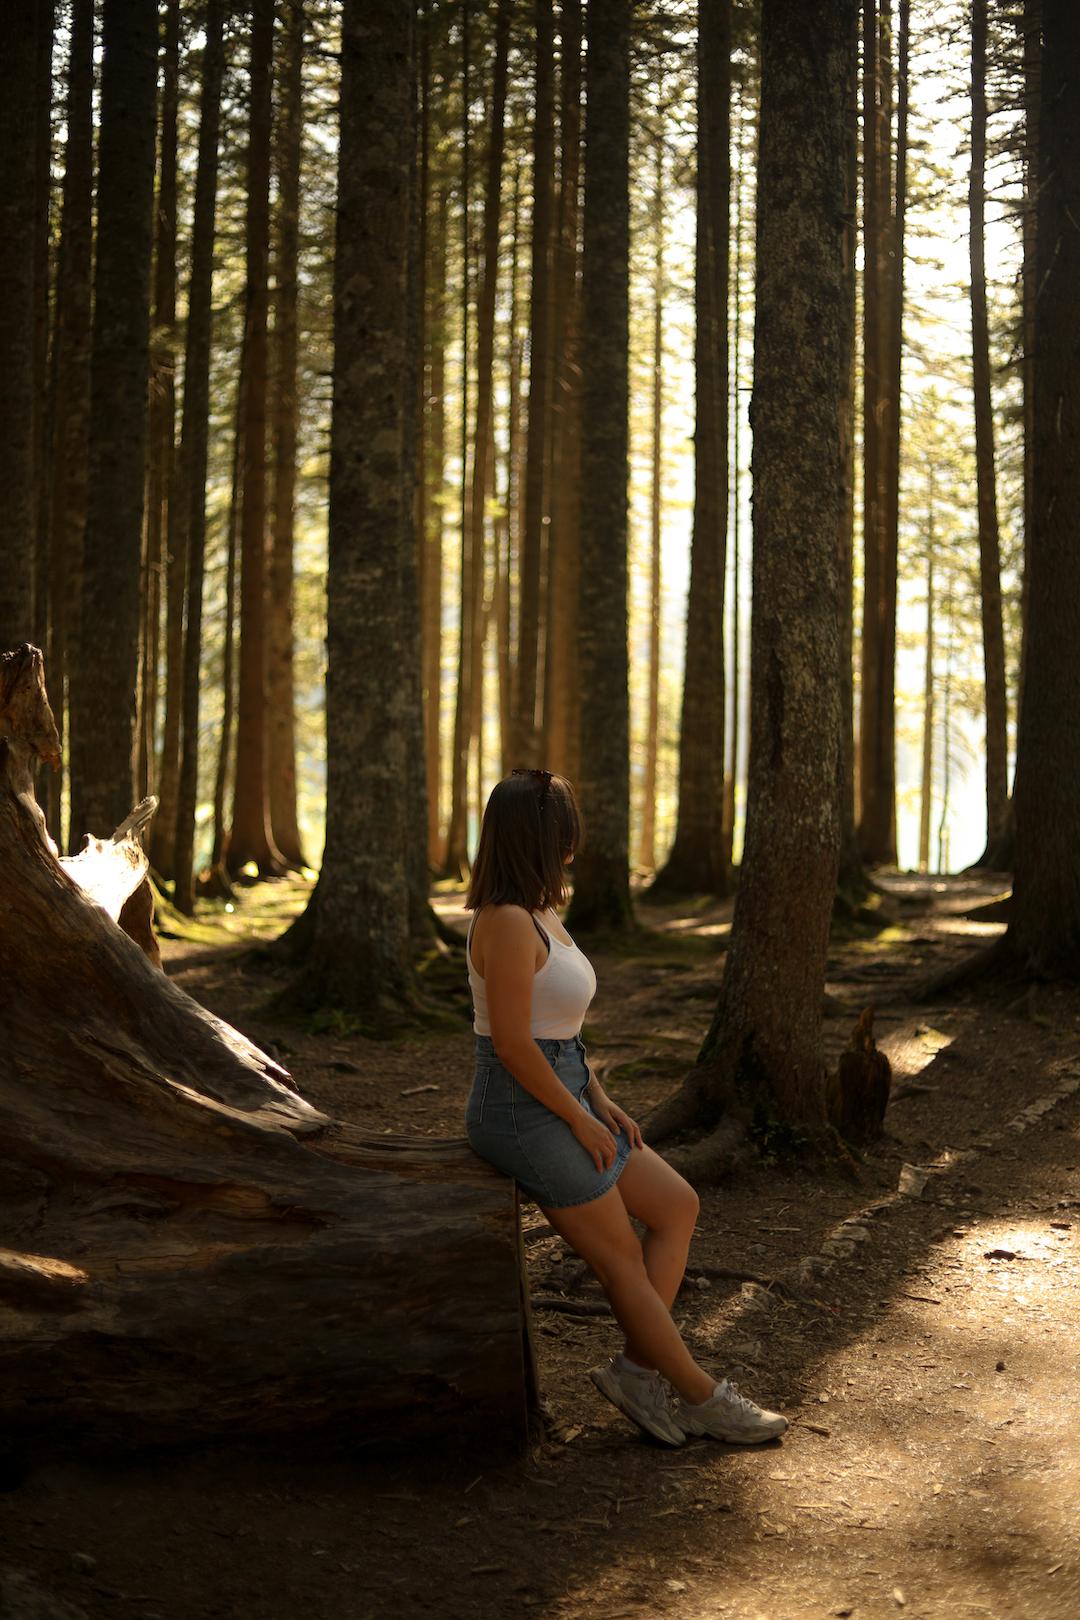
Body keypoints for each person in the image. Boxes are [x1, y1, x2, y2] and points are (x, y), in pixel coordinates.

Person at [463, 767, 787, 1448]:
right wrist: (576, 1116)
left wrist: (598, 1098)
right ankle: (701, 1396)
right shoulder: (507, 923)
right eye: (567, 832)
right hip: (518, 1111)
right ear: (543, 840)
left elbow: (560, 1031)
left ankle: (638, 1374)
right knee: (621, 1262)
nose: (577, 844)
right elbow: (517, 1047)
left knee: (677, 1206)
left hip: (564, 1089)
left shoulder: (544, 911)